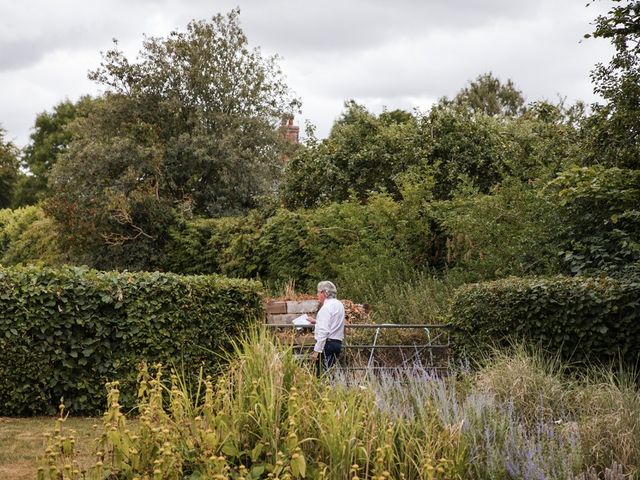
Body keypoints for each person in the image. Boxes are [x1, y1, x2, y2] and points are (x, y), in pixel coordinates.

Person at [309, 280, 345, 374]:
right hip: (337, 343)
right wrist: (317, 322)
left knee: (321, 374)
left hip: (327, 344)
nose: (317, 295)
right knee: (328, 372)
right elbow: (333, 322)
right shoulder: (339, 304)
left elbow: (324, 331)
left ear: (325, 293)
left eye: (318, 292)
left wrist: (317, 350)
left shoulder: (326, 307)